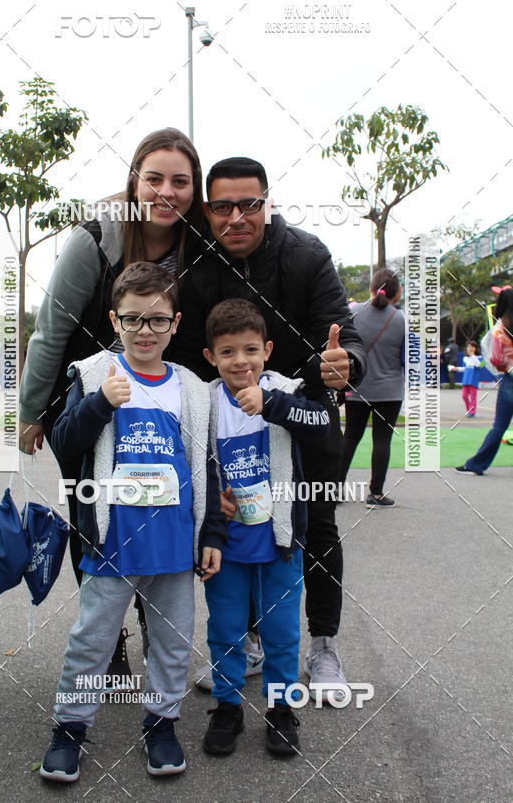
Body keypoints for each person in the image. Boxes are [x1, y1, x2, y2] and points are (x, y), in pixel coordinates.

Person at [168, 156, 367, 699]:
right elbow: (184, 362)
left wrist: (345, 363)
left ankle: (323, 645)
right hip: (230, 427)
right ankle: (251, 641)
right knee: (238, 528)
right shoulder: (195, 266)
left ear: (268, 203)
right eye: (223, 206)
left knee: (316, 527)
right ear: (206, 210)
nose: (237, 218)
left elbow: (345, 337)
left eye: (250, 204)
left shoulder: (306, 254)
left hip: (304, 416)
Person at [18, 127, 205, 671]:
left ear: (194, 188)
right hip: (89, 399)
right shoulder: (96, 237)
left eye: (180, 181)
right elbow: (51, 330)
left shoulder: (198, 242)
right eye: (154, 179)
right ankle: (108, 636)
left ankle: (154, 624)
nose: (166, 191)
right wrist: (32, 411)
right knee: (94, 517)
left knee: (158, 508)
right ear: (134, 181)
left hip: (160, 399)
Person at [39, 262, 226, 783]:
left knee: (173, 643)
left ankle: (161, 725)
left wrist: (211, 533)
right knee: (91, 641)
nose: (146, 330)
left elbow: (207, 466)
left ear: (176, 322)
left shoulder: (191, 388)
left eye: (158, 320)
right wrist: (100, 404)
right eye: (133, 319)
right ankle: (70, 729)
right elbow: (64, 442)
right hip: (112, 545)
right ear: (114, 321)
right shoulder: (93, 375)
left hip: (173, 547)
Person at [201, 299, 330, 758]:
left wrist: (272, 404)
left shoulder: (286, 390)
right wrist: (209, 512)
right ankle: (227, 706)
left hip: (280, 542)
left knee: (281, 632)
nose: (241, 361)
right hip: (225, 545)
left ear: (268, 351)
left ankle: (281, 708)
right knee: (225, 628)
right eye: (228, 352)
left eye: (250, 350)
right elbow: (189, 462)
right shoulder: (203, 402)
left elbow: (322, 424)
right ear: (211, 357)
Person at [339, 269, 406, 507]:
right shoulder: (401, 319)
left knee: (350, 437)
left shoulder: (353, 312)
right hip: (390, 390)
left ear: (371, 288)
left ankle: (334, 489)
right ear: (396, 292)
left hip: (357, 387)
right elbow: (408, 358)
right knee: (382, 440)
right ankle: (376, 494)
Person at [456, 288, 513, 475]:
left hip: (509, 379)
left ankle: (476, 465)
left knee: (499, 427)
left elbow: (495, 359)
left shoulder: (500, 329)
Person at [449, 340, 482, 417]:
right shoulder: (465, 358)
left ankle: (472, 412)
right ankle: (469, 410)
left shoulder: (479, 358)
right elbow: (465, 368)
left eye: (472, 347)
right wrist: (456, 368)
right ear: (466, 348)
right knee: (464, 396)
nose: (470, 348)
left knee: (473, 398)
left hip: (473, 380)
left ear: (476, 348)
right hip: (466, 380)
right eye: (469, 347)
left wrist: (472, 356)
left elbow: (479, 365)